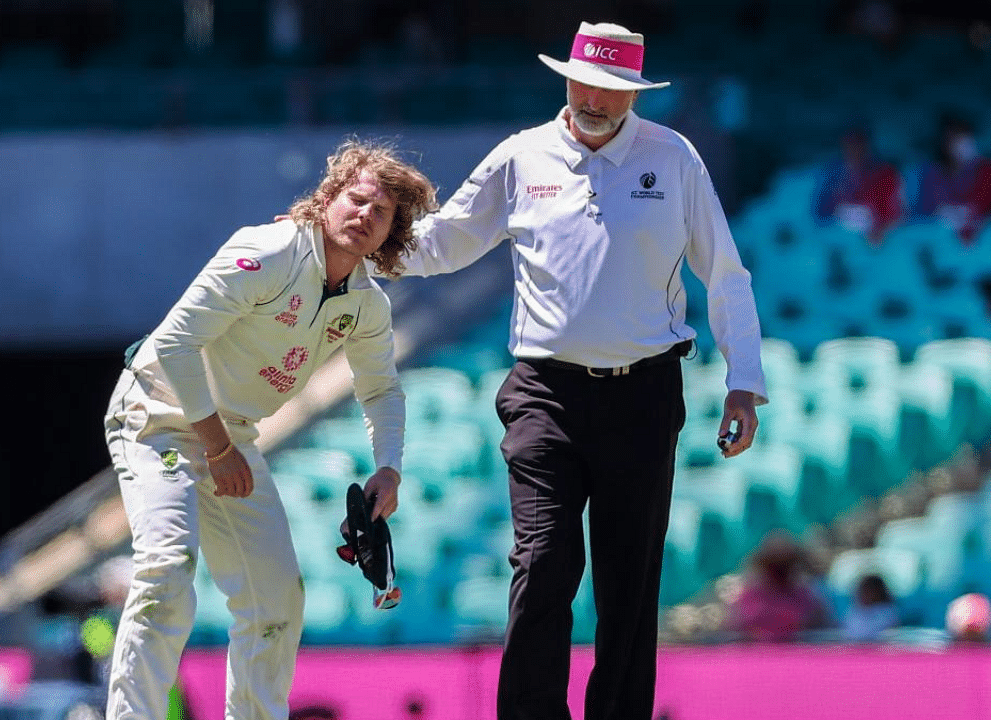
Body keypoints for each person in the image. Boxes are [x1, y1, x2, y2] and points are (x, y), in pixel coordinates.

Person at [380, 22, 767, 720]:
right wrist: (368, 242)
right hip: (543, 395)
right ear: (566, 78)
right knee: (542, 563)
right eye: (585, 81)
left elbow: (727, 274)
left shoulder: (674, 158)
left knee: (629, 579)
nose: (595, 98)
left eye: (614, 88)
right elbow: (448, 241)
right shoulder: (522, 156)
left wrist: (744, 378)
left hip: (644, 393)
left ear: (634, 94)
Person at [104, 140, 436, 720]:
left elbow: (381, 390)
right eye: (356, 200)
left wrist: (389, 468)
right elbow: (175, 345)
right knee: (166, 570)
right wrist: (217, 447)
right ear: (327, 198)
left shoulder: (366, 306)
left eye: (380, 213)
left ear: (391, 233)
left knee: (277, 599)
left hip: (231, 436)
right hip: (157, 417)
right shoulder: (268, 251)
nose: (364, 215)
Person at [914, 112, 991, 243]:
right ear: (943, 142)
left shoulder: (988, 171)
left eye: (964, 135)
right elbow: (922, 216)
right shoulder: (930, 175)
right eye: (954, 137)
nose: (961, 142)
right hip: (941, 248)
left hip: (987, 249)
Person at [727, 532, 832, 642]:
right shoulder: (749, 597)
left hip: (797, 654)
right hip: (758, 654)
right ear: (764, 565)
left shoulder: (806, 597)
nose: (779, 570)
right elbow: (736, 631)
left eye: (785, 564)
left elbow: (822, 633)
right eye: (774, 564)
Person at [811, 121, 905, 244]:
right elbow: (818, 216)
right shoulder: (831, 176)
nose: (854, 149)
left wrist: (879, 228)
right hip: (840, 244)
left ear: (868, 145)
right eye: (849, 144)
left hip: (880, 245)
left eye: (859, 143)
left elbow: (896, 215)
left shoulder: (886, 174)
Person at [841, 573, 900, 642]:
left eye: (869, 590)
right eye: (863, 590)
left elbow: (867, 634)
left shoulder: (888, 612)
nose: (865, 594)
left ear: (878, 592)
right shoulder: (852, 611)